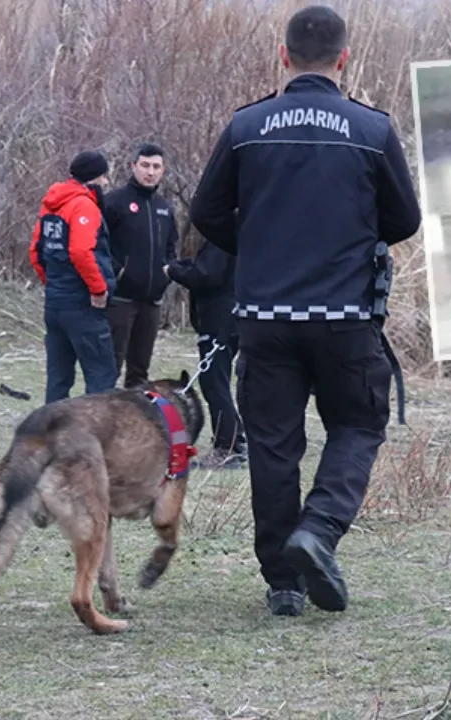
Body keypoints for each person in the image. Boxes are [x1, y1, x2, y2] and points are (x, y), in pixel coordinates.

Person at [188, 4, 420, 618]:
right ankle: (317, 531)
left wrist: (260, 244)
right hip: (345, 316)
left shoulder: (246, 126)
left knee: (271, 445)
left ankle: (283, 583)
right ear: (344, 59)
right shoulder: (371, 130)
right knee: (359, 426)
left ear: (283, 55)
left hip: (264, 316)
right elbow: (406, 219)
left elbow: (207, 213)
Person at [30, 150, 118, 403]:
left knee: (58, 379)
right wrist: (98, 290)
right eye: (104, 177)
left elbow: (35, 252)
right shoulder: (83, 205)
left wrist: (54, 284)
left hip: (55, 303)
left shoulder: (51, 204)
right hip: (82, 306)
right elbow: (80, 251)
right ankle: (98, 436)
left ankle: (49, 436)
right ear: (95, 177)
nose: (106, 183)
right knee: (102, 378)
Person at [165, 240, 247, 468]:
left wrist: (174, 271)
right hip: (233, 314)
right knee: (216, 381)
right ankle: (235, 440)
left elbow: (207, 274)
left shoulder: (222, 239)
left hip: (220, 318)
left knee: (213, 382)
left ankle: (228, 447)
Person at [102, 142, 178, 388]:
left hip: (152, 302)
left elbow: (171, 246)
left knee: (139, 374)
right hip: (120, 300)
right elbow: (96, 244)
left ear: (163, 170)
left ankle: (134, 424)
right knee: (109, 368)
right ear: (133, 166)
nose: (150, 172)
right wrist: (117, 272)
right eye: (145, 165)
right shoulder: (114, 202)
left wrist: (166, 273)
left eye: (156, 167)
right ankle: (101, 422)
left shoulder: (164, 207)